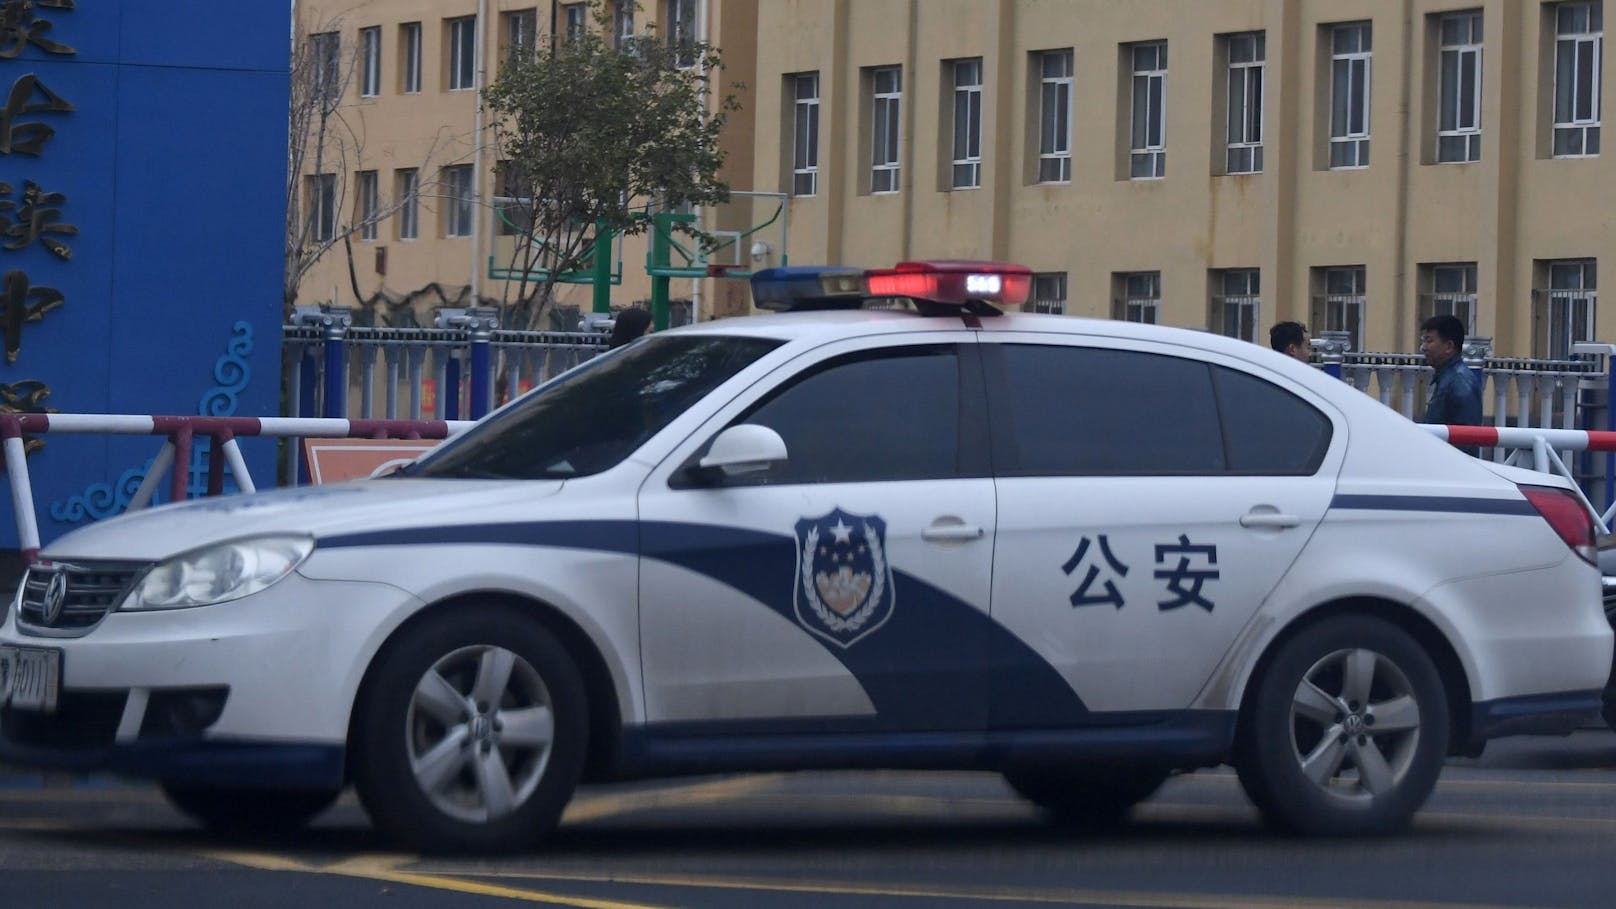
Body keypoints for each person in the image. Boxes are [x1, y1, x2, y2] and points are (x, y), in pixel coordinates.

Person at [1419, 313, 1484, 454]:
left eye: (1429, 341)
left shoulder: (1459, 381)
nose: (1423, 347)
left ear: (1449, 346)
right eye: (1423, 341)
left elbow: (1466, 438)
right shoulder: (1448, 377)